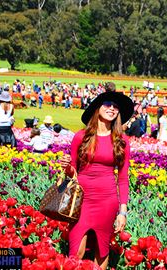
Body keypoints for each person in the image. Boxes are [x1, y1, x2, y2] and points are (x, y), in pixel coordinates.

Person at [59, 91, 133, 270]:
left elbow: (123, 179)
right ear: (97, 108)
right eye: (108, 104)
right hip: (81, 200)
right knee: (76, 250)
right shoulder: (81, 137)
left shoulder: (122, 140)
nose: (112, 108)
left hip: (107, 201)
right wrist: (67, 167)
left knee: (102, 250)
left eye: (115, 107)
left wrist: (123, 212)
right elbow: (73, 172)